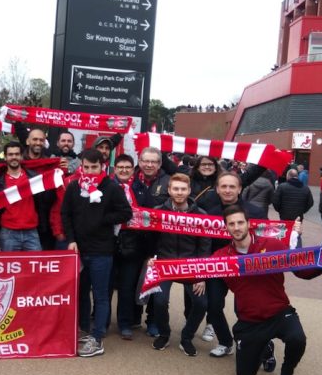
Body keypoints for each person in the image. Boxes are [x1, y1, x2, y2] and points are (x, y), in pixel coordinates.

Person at [213, 204, 320, 375]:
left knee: (297, 339)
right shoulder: (221, 257)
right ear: (226, 227)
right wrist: (161, 269)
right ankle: (266, 346)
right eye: (231, 224)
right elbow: (193, 271)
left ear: (249, 224)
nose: (236, 227)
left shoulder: (273, 246)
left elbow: (302, 271)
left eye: (240, 222)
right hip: (250, 320)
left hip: (279, 312)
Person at [62, 149, 132, 357]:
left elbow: (126, 213)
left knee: (101, 295)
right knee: (81, 292)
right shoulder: (74, 186)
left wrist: (102, 218)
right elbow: (66, 214)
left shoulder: (111, 187)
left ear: (102, 166)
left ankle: (98, 336)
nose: (90, 171)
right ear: (81, 166)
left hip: (102, 250)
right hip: (79, 249)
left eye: (94, 167)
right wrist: (71, 239)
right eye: (87, 167)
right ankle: (84, 329)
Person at [200, 172, 267, 357]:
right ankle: (225, 342)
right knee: (213, 306)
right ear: (217, 189)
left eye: (232, 186)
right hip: (218, 266)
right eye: (224, 186)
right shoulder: (209, 213)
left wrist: (294, 231)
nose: (228, 190)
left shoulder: (256, 212)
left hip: (247, 268)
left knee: (245, 309)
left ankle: (256, 345)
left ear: (240, 189)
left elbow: (270, 237)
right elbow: (203, 243)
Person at [149, 174, 211, 356]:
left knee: (201, 303)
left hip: (190, 265)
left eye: (183, 189)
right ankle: (164, 334)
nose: (179, 192)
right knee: (159, 301)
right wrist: (151, 257)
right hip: (165, 263)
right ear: (169, 190)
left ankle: (187, 337)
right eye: (175, 188)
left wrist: (202, 275)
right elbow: (151, 239)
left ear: (189, 191)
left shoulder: (201, 215)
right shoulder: (158, 211)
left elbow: (205, 246)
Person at [111, 154, 157, 339]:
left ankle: (125, 323)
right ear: (115, 169)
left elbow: (150, 216)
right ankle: (101, 321)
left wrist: (149, 249)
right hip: (109, 241)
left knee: (127, 286)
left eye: (127, 167)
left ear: (133, 170)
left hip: (134, 243)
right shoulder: (106, 187)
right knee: (106, 285)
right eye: (120, 167)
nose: (124, 170)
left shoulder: (141, 189)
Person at [0, 142, 42, 251]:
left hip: (31, 231)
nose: (14, 157)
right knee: (8, 263)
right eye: (10, 154)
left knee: (36, 262)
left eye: (17, 154)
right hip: (8, 232)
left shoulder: (34, 178)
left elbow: (43, 202)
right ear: (5, 157)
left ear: (21, 156)